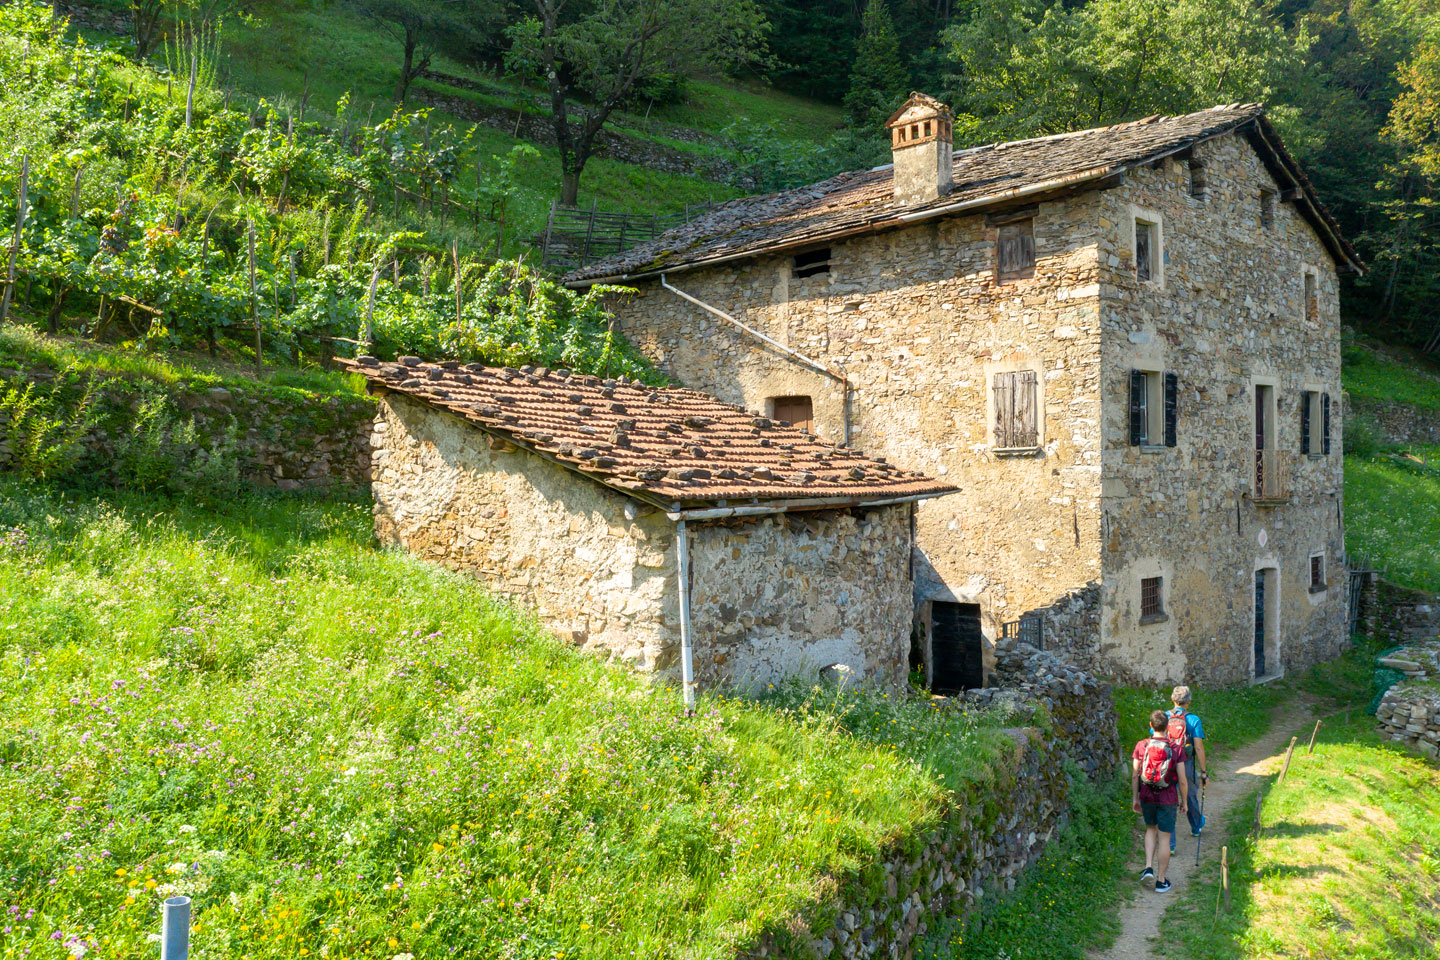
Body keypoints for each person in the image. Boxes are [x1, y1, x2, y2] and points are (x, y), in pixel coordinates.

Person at [1132, 708, 1188, 893]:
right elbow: (1182, 779)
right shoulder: (1176, 748)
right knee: (1165, 838)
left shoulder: (1141, 745)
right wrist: (1184, 802)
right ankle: (1161, 881)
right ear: (1168, 728)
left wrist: (1135, 798)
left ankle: (1148, 867)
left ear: (1151, 726)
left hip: (1147, 795)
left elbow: (1135, 775)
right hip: (1168, 798)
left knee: (1150, 829)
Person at [1167, 685, 1208, 853]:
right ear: (1188, 702)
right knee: (1190, 794)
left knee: (1168, 799)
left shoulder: (1163, 717)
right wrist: (1204, 771)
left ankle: (1170, 845)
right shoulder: (1193, 720)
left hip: (1167, 763)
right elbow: (1198, 747)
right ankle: (1196, 826)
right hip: (1186, 762)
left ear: (1172, 699)